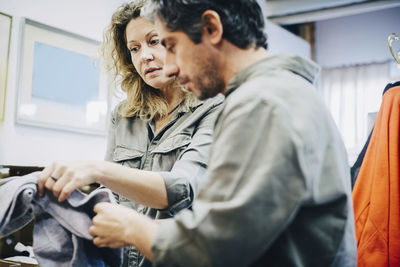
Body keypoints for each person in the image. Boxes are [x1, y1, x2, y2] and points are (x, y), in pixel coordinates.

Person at [40, 0, 358, 266]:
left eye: (170, 45)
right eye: (138, 48)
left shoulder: (262, 104)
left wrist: (131, 227)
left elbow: (216, 246)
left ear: (211, 28)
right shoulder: (278, 94)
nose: (172, 67)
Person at [37, 1, 223, 266]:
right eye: (134, 48)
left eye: (154, 41)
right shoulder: (123, 115)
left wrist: (97, 169)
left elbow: (182, 188)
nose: (144, 56)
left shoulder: (214, 107)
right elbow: (111, 196)